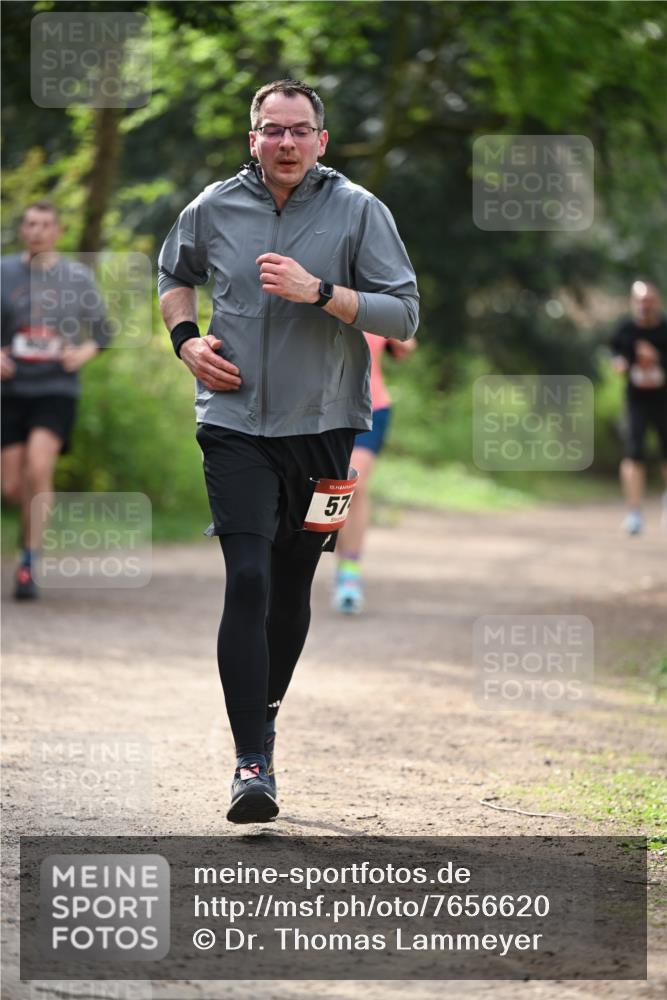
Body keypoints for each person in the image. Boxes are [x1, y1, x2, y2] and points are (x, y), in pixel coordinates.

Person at [158, 79, 419, 824]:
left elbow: (403, 311)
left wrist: (321, 292)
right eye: (271, 131)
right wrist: (186, 343)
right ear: (252, 138)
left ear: (321, 139)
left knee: (292, 580)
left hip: (330, 425)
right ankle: (251, 761)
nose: (285, 143)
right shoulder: (212, 207)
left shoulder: (359, 211)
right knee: (246, 576)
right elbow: (174, 275)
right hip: (233, 420)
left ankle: (264, 716)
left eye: (299, 131)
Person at [1, 201, 111, 599]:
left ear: (58, 232)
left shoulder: (76, 278)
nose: (37, 232)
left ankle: (29, 562)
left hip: (56, 388)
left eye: (45, 225)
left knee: (38, 466)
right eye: (30, 224)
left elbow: (102, 332)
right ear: (22, 230)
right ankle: (27, 536)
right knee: (12, 487)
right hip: (11, 390)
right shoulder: (4, 272)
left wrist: (81, 354)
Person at [333, 331, 417, 614]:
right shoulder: (313, 288)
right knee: (330, 484)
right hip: (321, 407)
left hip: (372, 404)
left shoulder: (377, 291)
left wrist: (396, 335)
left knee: (353, 482)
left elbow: (406, 344)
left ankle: (349, 572)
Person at [610, 280, 667, 535]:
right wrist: (623, 362)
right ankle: (634, 513)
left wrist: (656, 358)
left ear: (657, 301)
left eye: (650, 300)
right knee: (634, 453)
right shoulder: (625, 329)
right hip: (636, 399)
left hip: (664, 398)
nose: (646, 305)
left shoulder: (665, 329)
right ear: (634, 302)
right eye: (641, 300)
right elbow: (616, 356)